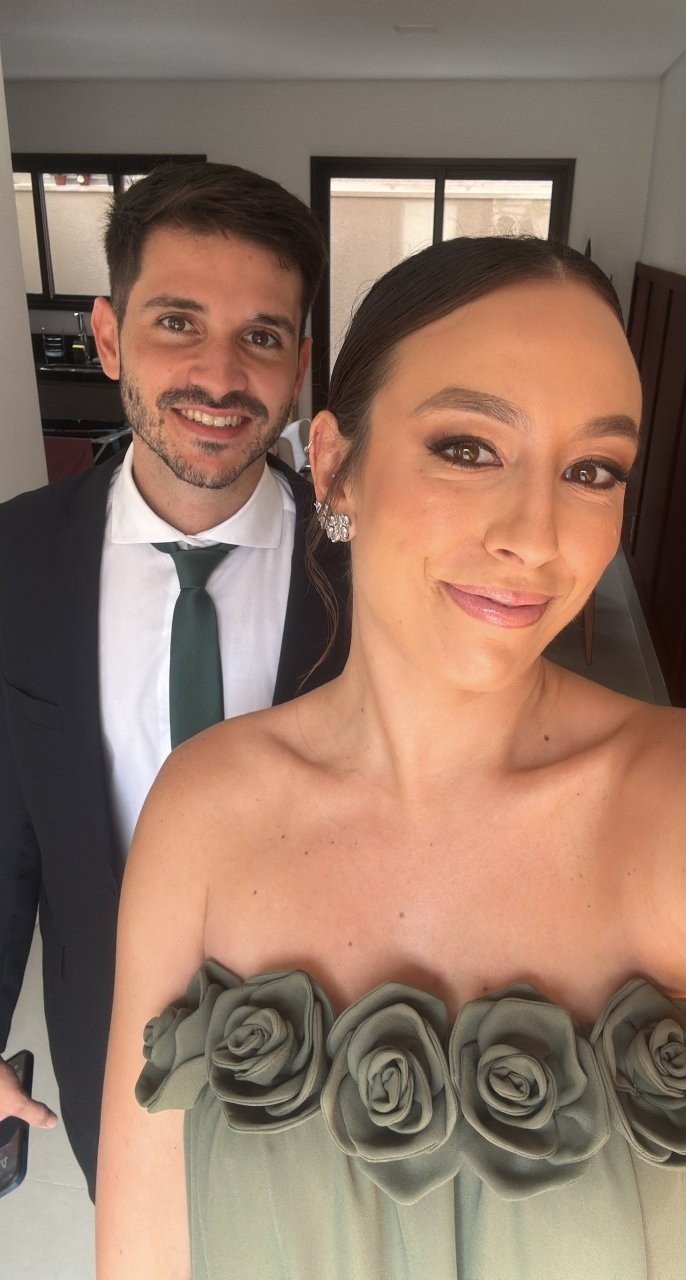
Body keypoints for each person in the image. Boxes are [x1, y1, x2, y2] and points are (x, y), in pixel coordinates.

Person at [97, 236, 686, 1280]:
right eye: (469, 447)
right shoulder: (202, 814)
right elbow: (144, 1253)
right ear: (334, 462)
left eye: (592, 470)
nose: (537, 536)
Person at [0, 161, 349, 1197]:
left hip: (341, 1050)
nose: (220, 376)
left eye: (262, 336)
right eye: (177, 322)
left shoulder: (371, 575)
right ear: (109, 336)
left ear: (300, 367)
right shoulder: (16, 560)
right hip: (110, 1041)